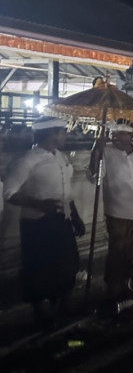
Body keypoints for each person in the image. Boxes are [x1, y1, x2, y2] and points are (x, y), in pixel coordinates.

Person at [3, 117, 85, 326]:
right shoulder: (28, 160)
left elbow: (67, 191)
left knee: (68, 263)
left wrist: (75, 216)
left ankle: (65, 303)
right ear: (51, 133)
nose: (66, 135)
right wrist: (38, 204)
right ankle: (40, 310)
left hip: (62, 219)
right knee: (39, 267)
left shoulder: (61, 157)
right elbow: (9, 192)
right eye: (63, 131)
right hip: (38, 223)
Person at [89, 120, 133, 303]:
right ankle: (114, 288)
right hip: (118, 210)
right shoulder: (106, 151)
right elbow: (94, 177)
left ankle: (131, 286)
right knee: (118, 251)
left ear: (130, 136)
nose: (115, 137)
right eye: (113, 134)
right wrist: (96, 151)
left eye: (120, 134)